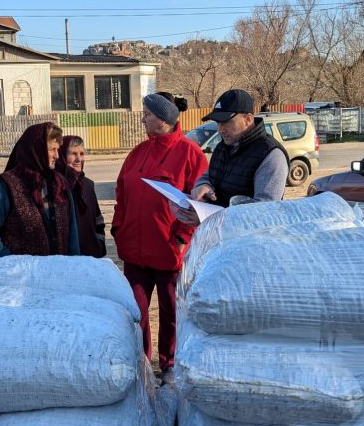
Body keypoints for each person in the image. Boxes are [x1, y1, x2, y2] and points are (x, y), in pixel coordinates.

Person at [111, 92, 207, 384]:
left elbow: (197, 204)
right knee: (136, 313)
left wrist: (181, 239)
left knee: (171, 313)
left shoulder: (190, 154)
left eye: (147, 114)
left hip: (169, 252)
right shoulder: (137, 153)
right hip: (134, 251)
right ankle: (140, 362)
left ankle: (169, 365)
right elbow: (121, 195)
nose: (142, 118)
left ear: (164, 119)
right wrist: (118, 228)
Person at [176, 90, 289, 230]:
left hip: (248, 246)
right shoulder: (222, 147)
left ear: (248, 119)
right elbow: (208, 175)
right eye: (218, 123)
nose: (220, 129)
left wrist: (210, 217)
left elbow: (264, 212)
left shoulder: (271, 155)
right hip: (218, 239)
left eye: (226, 122)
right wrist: (202, 185)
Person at [0, 121, 80, 258]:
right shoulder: (6, 185)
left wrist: (73, 265)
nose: (57, 155)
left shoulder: (60, 183)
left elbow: (72, 232)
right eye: (51, 149)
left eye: (58, 149)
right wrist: (10, 266)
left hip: (58, 273)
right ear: (35, 149)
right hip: (22, 277)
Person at [58, 135, 107, 258]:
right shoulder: (56, 185)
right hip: (65, 260)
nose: (79, 159)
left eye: (81, 153)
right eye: (73, 154)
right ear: (62, 156)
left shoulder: (88, 184)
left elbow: (98, 220)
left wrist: (99, 244)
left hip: (90, 258)